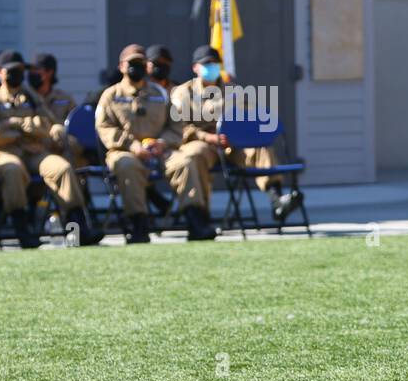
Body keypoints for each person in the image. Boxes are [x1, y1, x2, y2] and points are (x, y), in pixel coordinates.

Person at [0, 50, 101, 247]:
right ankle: (23, 231)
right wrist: (25, 130)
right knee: (13, 169)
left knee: (62, 168)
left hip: (35, 152)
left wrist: (18, 124)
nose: (18, 74)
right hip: (3, 153)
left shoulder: (31, 97)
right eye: (12, 70)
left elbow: (49, 124)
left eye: (20, 70)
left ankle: (77, 229)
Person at [169, 45, 303, 224]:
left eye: (215, 63)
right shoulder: (183, 92)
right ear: (195, 68)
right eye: (206, 64)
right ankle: (199, 215)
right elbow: (179, 127)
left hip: (233, 144)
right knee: (193, 155)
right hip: (203, 142)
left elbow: (249, 118)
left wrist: (236, 135)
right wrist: (208, 137)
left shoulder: (234, 91)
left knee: (259, 147)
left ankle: (277, 200)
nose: (211, 67)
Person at [94, 43, 211, 243]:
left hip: (160, 149)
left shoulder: (160, 94)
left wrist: (162, 143)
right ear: (122, 66)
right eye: (132, 63)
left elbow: (177, 126)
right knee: (127, 166)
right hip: (125, 151)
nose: (136, 67)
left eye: (141, 63)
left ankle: (196, 221)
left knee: (184, 163)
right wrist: (132, 145)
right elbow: (104, 128)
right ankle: (139, 225)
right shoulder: (110, 96)